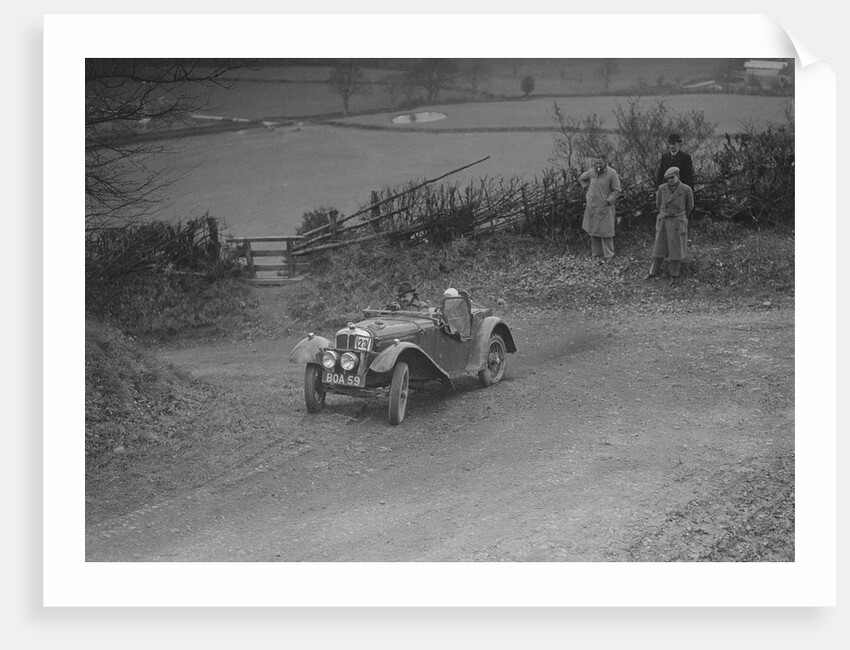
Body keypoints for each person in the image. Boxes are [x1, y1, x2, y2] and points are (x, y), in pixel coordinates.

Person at [645, 166, 694, 283]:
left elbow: (690, 206)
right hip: (664, 221)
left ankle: (674, 275)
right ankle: (652, 272)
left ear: (678, 176)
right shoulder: (662, 188)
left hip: (677, 221)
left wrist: (680, 217)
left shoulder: (686, 189)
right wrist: (664, 215)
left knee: (676, 250)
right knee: (659, 249)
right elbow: (658, 204)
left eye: (672, 177)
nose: (670, 180)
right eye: (668, 178)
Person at [578, 154, 622, 262]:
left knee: (606, 232)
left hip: (605, 208)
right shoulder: (591, 171)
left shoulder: (612, 173)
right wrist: (586, 188)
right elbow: (582, 178)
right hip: (592, 207)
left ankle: (609, 255)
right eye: (596, 163)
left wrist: (608, 201)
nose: (598, 165)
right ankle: (597, 255)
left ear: (605, 162)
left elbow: (617, 190)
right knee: (594, 232)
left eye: (600, 163)